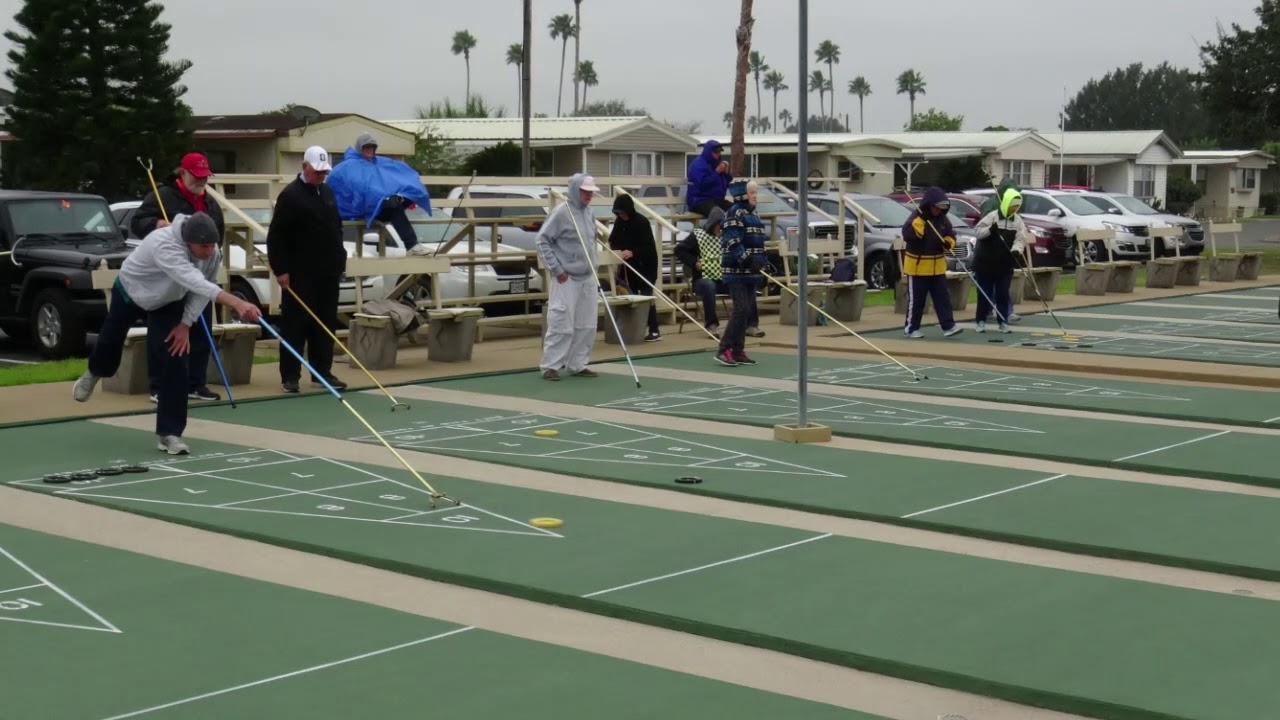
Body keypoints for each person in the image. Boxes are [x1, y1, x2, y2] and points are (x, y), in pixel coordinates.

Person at [71, 213, 262, 455]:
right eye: (203, 246)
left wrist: (185, 324)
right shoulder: (164, 244)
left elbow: (202, 289)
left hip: (170, 300)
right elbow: (193, 279)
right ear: (187, 241)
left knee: (176, 358)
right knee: (110, 342)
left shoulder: (212, 253)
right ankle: (95, 372)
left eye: (212, 244)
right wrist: (236, 302)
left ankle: (169, 433)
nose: (209, 251)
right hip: (133, 291)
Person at [131, 152, 226, 404]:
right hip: (169, 277)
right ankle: (159, 386)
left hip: (199, 274)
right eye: (197, 176)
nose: (202, 181)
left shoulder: (210, 203)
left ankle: (196, 383)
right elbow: (137, 223)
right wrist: (157, 223)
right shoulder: (162, 196)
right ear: (182, 173)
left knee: (199, 328)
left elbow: (218, 233)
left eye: (205, 177)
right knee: (165, 333)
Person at [267, 146, 349, 394]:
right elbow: (277, 236)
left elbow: (336, 228)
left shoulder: (327, 192)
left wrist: (340, 260)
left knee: (324, 324)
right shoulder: (290, 195)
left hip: (328, 271)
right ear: (305, 167)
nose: (321, 176)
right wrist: (281, 269)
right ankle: (290, 376)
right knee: (295, 324)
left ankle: (321, 371)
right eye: (317, 172)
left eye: (324, 172)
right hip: (300, 272)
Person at [326, 132, 433, 256]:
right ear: (360, 148)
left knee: (407, 196)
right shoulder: (349, 166)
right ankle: (412, 245)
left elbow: (396, 176)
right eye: (366, 147)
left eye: (372, 147)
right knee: (394, 209)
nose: (369, 150)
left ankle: (395, 203)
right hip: (363, 209)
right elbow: (361, 191)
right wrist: (383, 199)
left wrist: (396, 196)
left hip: (380, 205)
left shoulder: (379, 162)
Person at [537, 173, 602, 381]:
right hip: (567, 277)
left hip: (587, 275)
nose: (588, 195)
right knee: (561, 322)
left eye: (591, 192)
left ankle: (577, 363)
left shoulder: (589, 213)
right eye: (585, 191)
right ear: (575, 190)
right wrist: (557, 269)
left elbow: (591, 242)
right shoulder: (562, 213)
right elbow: (542, 241)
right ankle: (551, 366)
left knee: (587, 323)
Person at [714, 180, 768, 367]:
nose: (755, 196)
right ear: (742, 194)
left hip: (751, 273)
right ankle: (724, 349)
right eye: (752, 192)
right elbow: (732, 241)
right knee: (740, 309)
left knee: (746, 311)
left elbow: (759, 244)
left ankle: (738, 350)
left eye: (755, 192)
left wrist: (764, 264)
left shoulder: (754, 214)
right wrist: (746, 258)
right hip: (735, 270)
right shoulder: (734, 213)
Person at [902, 186, 963, 339]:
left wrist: (949, 243)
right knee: (917, 301)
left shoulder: (943, 220)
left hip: (937, 267)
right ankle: (911, 328)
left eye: (942, 208)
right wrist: (921, 222)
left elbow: (951, 235)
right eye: (937, 207)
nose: (939, 211)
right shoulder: (916, 218)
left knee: (942, 298)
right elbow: (909, 236)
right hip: (918, 267)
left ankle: (948, 326)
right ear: (929, 205)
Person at [972, 186, 1030, 334]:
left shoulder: (1017, 221)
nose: (1014, 209)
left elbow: (1020, 239)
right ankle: (981, 321)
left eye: (1017, 206)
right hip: (985, 262)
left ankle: (1003, 321)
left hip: (1004, 264)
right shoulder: (992, 216)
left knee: (1003, 293)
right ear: (1006, 204)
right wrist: (990, 230)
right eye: (1012, 206)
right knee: (984, 293)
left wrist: (1016, 251)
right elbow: (978, 232)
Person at [608, 194, 660, 342]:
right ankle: (630, 329)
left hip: (646, 266)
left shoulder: (641, 222)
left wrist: (632, 252)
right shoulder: (619, 223)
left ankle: (654, 329)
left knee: (645, 296)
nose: (622, 216)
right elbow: (613, 240)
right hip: (628, 267)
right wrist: (617, 250)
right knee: (628, 296)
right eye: (619, 213)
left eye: (623, 213)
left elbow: (648, 247)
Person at [674, 207, 726, 337]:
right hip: (701, 279)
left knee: (743, 282)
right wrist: (694, 262)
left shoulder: (726, 237)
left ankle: (747, 324)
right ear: (713, 224)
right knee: (709, 286)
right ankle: (712, 325)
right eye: (719, 225)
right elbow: (679, 250)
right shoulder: (698, 235)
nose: (721, 229)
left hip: (723, 278)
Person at [685, 140, 732, 217]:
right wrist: (717, 172)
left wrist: (726, 174)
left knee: (737, 210)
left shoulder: (716, 164)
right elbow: (702, 185)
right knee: (717, 213)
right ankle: (712, 229)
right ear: (709, 152)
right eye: (716, 152)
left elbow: (725, 186)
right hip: (698, 200)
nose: (718, 155)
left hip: (716, 200)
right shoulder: (698, 165)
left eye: (719, 152)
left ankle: (733, 228)